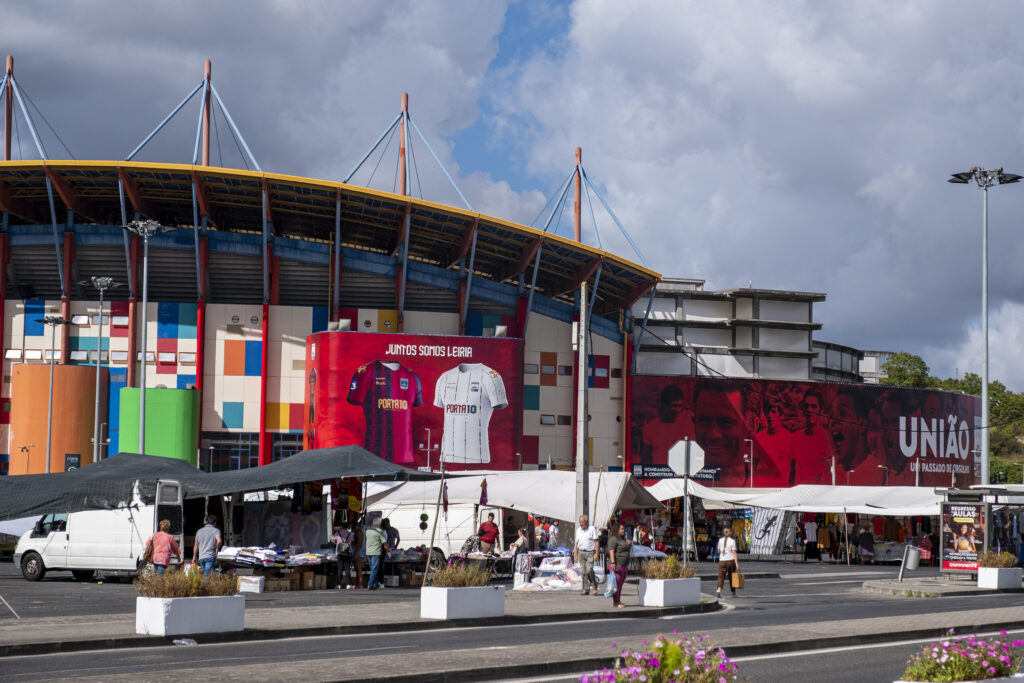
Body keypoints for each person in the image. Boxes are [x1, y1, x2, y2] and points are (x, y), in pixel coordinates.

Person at [606, 523, 632, 608]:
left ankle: (618, 601)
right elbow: (611, 551)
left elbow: (626, 550)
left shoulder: (622, 539)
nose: (623, 530)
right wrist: (613, 562)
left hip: (624, 564)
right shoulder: (613, 539)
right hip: (617, 564)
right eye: (621, 529)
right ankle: (616, 602)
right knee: (616, 584)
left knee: (620, 585)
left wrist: (629, 544)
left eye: (623, 529)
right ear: (616, 530)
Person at [574, 514, 600, 596]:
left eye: (583, 522)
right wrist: (575, 555)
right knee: (583, 572)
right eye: (580, 522)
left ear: (587, 522)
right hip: (581, 552)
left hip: (590, 553)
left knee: (589, 570)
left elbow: (596, 541)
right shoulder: (578, 530)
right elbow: (577, 543)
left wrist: (597, 553)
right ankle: (586, 589)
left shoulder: (592, 529)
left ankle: (594, 586)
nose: (581, 524)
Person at [365, 518, 391, 590]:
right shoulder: (379, 531)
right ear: (379, 524)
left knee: (372, 568)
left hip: (368, 551)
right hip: (376, 552)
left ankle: (374, 584)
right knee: (374, 569)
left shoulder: (368, 530)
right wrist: (388, 551)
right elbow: (385, 543)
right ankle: (370, 584)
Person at [716, 527, 740, 598]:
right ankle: (733, 592)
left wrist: (723, 550)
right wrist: (736, 564)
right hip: (730, 561)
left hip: (722, 561)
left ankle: (719, 589)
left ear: (724, 533)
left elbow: (719, 551)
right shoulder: (732, 541)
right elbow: (734, 552)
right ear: (730, 533)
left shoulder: (720, 540)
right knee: (732, 577)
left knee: (721, 576)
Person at [333, 522, 355, 589]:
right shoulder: (350, 534)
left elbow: (334, 542)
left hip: (339, 553)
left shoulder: (337, 533)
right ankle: (348, 584)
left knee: (340, 568)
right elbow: (352, 542)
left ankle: (338, 584)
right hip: (348, 553)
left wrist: (338, 542)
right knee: (347, 569)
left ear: (341, 526)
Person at [352, 518, 365, 588]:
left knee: (359, 568)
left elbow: (359, 544)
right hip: (357, 551)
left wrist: (356, 553)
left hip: (359, 552)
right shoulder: (358, 532)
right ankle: (357, 583)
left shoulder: (359, 532)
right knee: (357, 568)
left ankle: (360, 584)